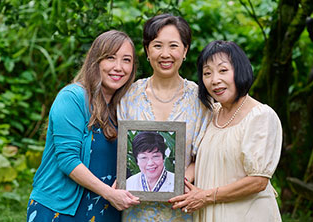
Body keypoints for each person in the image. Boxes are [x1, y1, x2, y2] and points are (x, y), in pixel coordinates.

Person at [26, 30, 140, 222]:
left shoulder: (125, 107)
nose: (119, 67)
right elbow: (67, 159)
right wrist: (109, 193)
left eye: (126, 60)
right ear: (96, 61)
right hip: (61, 210)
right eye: (110, 58)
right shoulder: (72, 98)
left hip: (105, 210)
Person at [169, 40, 282, 222]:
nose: (215, 80)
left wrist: (206, 196)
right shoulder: (211, 113)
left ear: (240, 70)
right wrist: (179, 182)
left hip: (246, 215)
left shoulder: (260, 116)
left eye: (223, 71)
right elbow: (205, 160)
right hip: (208, 212)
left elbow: (258, 181)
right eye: (207, 73)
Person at [117, 13, 211, 221]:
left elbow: (204, 155)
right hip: (135, 210)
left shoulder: (200, 100)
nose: (165, 54)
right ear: (147, 51)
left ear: (185, 50)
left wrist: (178, 181)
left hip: (180, 208)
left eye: (174, 46)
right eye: (157, 45)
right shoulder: (128, 96)